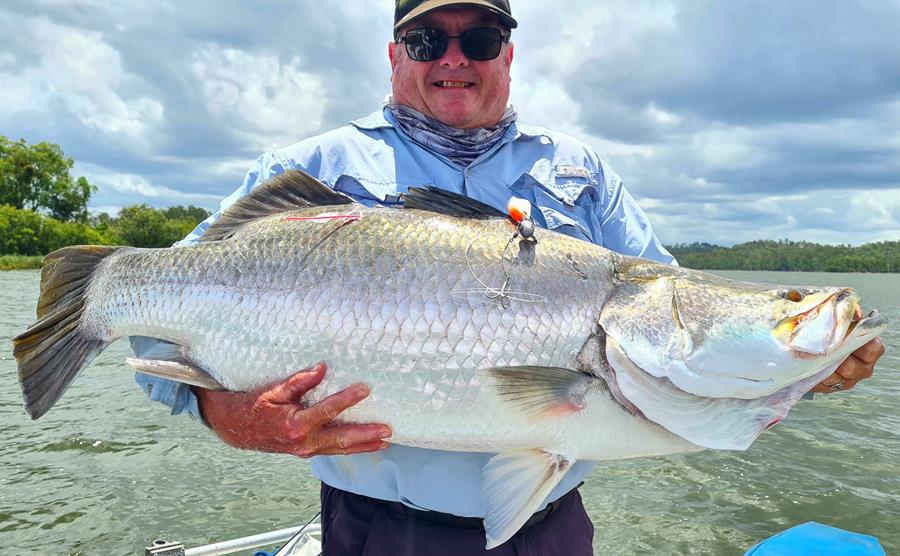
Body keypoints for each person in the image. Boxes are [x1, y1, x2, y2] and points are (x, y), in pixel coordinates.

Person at [132, 1, 886, 554]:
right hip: (370, 531)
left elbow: (674, 314)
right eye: (427, 39)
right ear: (394, 55)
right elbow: (150, 311)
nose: (453, 58)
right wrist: (225, 415)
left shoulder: (583, 175)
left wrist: (793, 370)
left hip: (546, 526)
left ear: (508, 53)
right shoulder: (310, 169)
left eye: (479, 37)